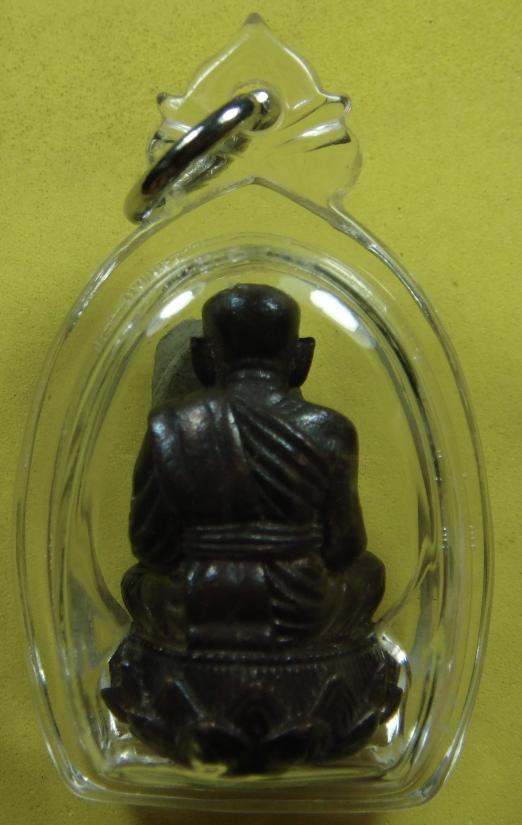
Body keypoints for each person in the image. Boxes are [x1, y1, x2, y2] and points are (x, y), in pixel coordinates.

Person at [122, 283, 385, 652]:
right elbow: (345, 546)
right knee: (370, 573)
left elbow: (149, 546)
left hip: (197, 605)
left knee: (136, 583)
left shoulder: (169, 425)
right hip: (303, 607)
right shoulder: (331, 430)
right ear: (302, 356)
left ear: (202, 356)